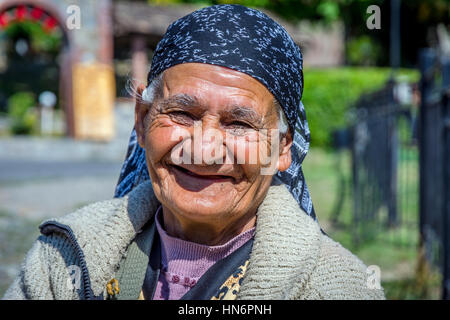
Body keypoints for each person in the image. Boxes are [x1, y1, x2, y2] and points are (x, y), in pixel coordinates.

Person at [3, 4, 385, 300]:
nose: (203, 149)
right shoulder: (64, 257)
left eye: (239, 124)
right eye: (181, 113)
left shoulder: (339, 286)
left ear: (282, 147)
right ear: (142, 120)